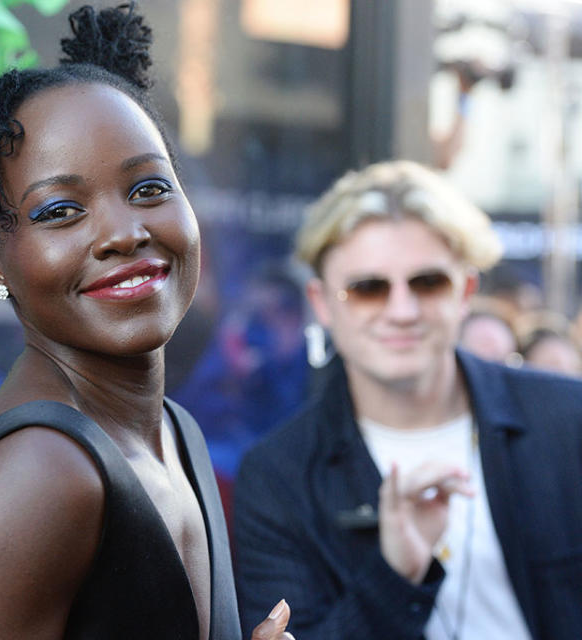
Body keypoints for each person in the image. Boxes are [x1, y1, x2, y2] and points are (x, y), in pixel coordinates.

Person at [0, 5, 293, 639]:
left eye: (149, 189)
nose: (124, 232)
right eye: (61, 210)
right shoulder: (37, 474)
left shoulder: (176, 433)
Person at [233, 160, 582, 639]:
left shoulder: (568, 421)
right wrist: (396, 575)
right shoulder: (278, 478)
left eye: (428, 282)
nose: (401, 310)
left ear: (466, 291)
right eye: (368, 288)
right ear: (321, 304)